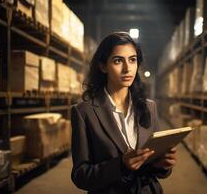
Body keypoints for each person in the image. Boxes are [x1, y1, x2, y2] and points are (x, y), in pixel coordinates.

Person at [71, 32, 177, 194]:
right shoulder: (84, 112)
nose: (127, 68)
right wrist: (120, 166)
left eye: (132, 60)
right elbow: (80, 175)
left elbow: (155, 165)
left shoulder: (150, 107)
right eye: (118, 60)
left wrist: (161, 165)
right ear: (103, 66)